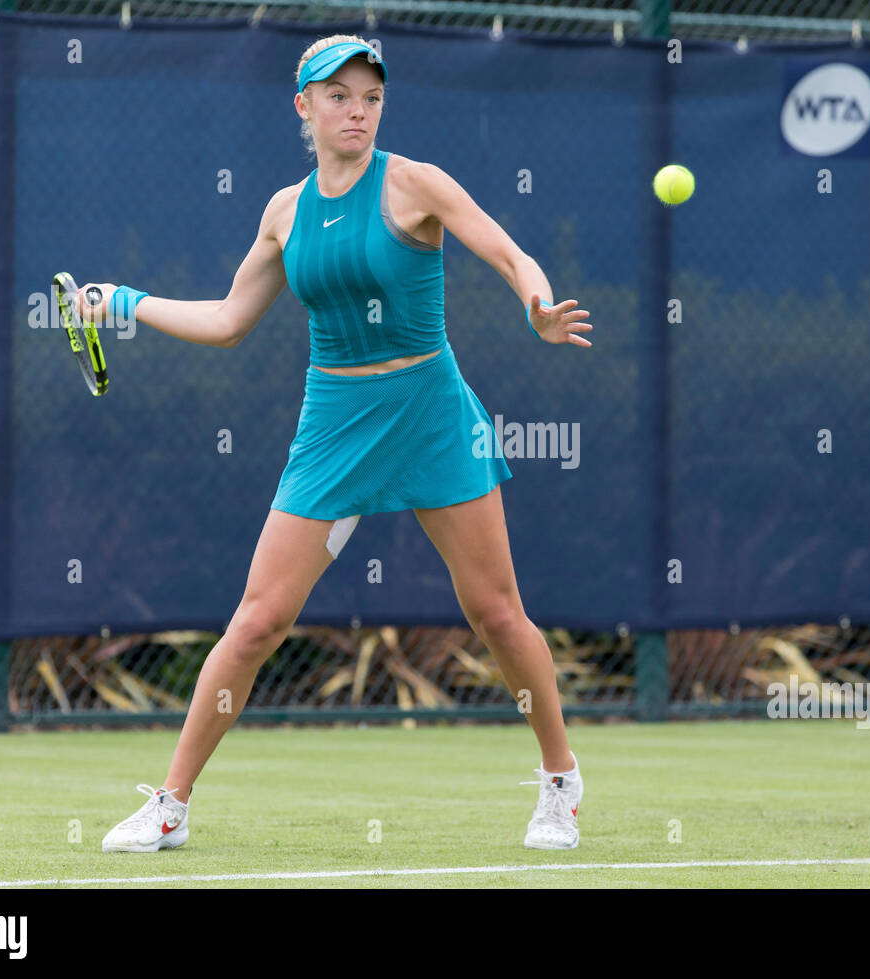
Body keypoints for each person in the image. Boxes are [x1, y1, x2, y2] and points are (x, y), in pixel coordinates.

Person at [88, 35, 595, 854]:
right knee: (257, 621)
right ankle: (170, 804)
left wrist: (536, 303)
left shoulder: (414, 183)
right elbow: (225, 322)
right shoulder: (284, 212)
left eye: (369, 96)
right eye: (337, 95)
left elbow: (507, 249)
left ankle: (560, 781)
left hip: (430, 408)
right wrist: (124, 299)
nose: (356, 109)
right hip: (333, 422)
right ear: (305, 107)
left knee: (495, 611)